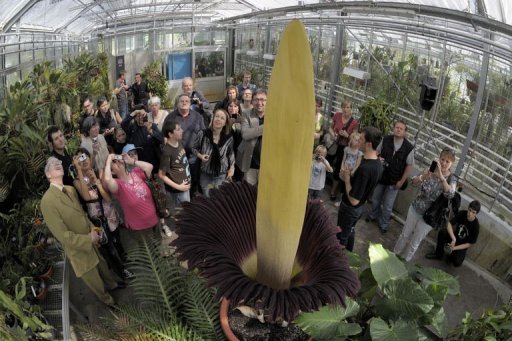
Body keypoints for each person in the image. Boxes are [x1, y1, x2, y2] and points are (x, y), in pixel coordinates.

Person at [41, 156, 119, 306]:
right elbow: (63, 236)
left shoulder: (70, 190)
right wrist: (88, 239)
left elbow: (82, 214)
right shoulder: (47, 201)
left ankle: (114, 286)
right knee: (95, 281)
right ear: (48, 175)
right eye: (52, 164)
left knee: (103, 268)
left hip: (92, 239)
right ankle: (109, 302)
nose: (57, 164)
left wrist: (92, 229)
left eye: (58, 163)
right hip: (79, 250)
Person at [72, 149, 132, 280]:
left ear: (89, 158)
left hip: (109, 213)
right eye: (79, 160)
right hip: (97, 219)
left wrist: (96, 181)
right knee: (108, 245)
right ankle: (121, 272)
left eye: (84, 157)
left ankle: (124, 260)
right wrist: (80, 172)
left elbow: (108, 198)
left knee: (116, 239)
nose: (83, 161)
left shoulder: (99, 172)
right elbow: (87, 197)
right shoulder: (77, 181)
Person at [393, 147, 457, 262]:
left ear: (451, 164)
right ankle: (394, 255)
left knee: (415, 242)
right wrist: (424, 176)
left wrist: (442, 178)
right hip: (416, 208)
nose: (444, 163)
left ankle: (404, 261)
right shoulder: (430, 170)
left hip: (430, 217)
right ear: (439, 158)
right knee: (404, 235)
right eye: (442, 159)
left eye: (447, 161)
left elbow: (450, 194)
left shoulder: (451, 179)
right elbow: (413, 182)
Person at [336, 127, 383, 251]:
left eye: (361, 139)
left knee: (341, 237)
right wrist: (351, 174)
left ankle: (338, 263)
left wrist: (346, 178)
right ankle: (349, 253)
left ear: (368, 144)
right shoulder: (376, 163)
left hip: (350, 209)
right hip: (359, 209)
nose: (358, 141)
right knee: (350, 230)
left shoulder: (366, 169)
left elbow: (354, 200)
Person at [367, 120, 414, 233]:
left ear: (405, 132)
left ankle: (384, 224)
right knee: (375, 198)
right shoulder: (386, 139)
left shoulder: (409, 148)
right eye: (396, 127)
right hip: (381, 176)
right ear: (394, 129)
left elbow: (409, 167)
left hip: (395, 181)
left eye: (401, 128)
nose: (398, 129)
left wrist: (401, 182)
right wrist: (377, 160)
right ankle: (373, 215)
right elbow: (376, 153)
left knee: (388, 205)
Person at [103, 152, 160, 239]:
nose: (117, 162)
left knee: (160, 248)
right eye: (114, 162)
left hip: (154, 221)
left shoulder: (136, 173)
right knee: (149, 252)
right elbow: (107, 179)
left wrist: (131, 161)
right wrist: (108, 160)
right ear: (112, 171)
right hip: (139, 229)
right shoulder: (118, 185)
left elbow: (150, 167)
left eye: (118, 159)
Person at [165, 94, 205, 195]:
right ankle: (181, 200)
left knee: (193, 177)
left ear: (190, 103)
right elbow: (164, 135)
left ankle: (192, 197)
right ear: (177, 104)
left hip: (193, 155)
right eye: (181, 101)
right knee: (179, 178)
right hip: (177, 156)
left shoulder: (198, 116)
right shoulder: (170, 117)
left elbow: (204, 134)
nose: (184, 103)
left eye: (186, 101)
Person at [193, 109, 235, 197]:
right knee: (209, 199)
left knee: (219, 199)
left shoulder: (228, 138)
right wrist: (200, 156)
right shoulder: (203, 134)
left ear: (225, 123)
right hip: (206, 175)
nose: (218, 119)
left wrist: (232, 168)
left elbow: (231, 154)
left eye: (222, 118)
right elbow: (193, 148)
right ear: (213, 119)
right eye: (217, 116)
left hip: (221, 175)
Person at [426, 200, 481, 267]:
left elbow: (469, 244)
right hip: (454, 237)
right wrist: (453, 238)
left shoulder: (476, 226)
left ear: (476, 214)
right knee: (442, 232)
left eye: (473, 212)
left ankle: (451, 257)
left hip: (462, 244)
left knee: (457, 262)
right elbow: (449, 224)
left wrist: (454, 248)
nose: (470, 214)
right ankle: (438, 254)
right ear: (468, 208)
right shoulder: (462, 213)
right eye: (469, 210)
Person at [329, 100, 359, 202]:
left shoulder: (354, 122)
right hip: (334, 144)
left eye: (348, 107)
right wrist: (333, 134)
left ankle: (334, 192)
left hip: (345, 148)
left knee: (339, 169)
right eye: (344, 107)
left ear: (351, 109)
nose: (345, 109)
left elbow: (355, 139)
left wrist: (347, 136)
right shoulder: (337, 115)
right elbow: (330, 128)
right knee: (327, 162)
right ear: (341, 108)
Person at [159, 120, 191, 213]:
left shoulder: (178, 143)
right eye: (178, 129)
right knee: (181, 214)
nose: (182, 130)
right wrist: (178, 187)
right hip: (178, 190)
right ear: (170, 134)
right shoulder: (167, 152)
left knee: (186, 211)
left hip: (185, 186)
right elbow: (161, 175)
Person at [236, 89, 266, 185]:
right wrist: (266, 127)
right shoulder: (246, 114)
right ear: (252, 101)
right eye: (256, 99)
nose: (259, 103)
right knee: (248, 193)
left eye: (262, 99)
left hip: (266, 165)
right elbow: (245, 134)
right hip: (250, 163)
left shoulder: (274, 116)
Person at [121, 108, 163, 173]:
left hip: (153, 160)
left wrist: (151, 131)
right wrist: (135, 112)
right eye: (138, 116)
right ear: (135, 118)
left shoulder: (152, 125)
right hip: (139, 161)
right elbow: (123, 124)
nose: (141, 118)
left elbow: (161, 139)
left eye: (143, 115)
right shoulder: (132, 127)